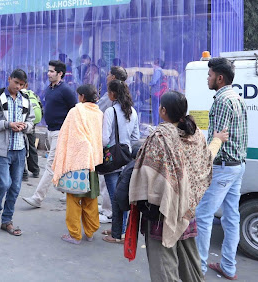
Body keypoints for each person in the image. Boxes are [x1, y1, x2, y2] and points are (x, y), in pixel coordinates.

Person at [129, 90, 228, 282]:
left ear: (163, 110)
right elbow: (206, 160)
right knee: (190, 264)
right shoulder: (195, 133)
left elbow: (146, 177)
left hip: (162, 212)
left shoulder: (159, 137)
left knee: (165, 268)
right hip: (186, 210)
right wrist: (217, 140)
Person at [196, 57, 248, 280]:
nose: (207, 79)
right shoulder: (237, 98)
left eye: (209, 75)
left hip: (224, 167)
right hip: (238, 166)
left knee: (203, 216)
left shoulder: (222, 101)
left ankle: (198, 269)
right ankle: (228, 267)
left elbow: (217, 140)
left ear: (219, 78)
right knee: (231, 218)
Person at [0, 69, 34, 236]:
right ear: (9, 79)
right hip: (2, 150)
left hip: (20, 149)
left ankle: (7, 220)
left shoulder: (25, 100)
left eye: (21, 84)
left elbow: (32, 121)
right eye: (16, 82)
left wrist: (25, 126)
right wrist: (7, 124)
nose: (17, 86)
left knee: (16, 186)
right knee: (4, 183)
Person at [51, 84, 103, 244]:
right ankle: (90, 231)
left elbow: (66, 136)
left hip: (76, 162)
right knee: (91, 198)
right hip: (92, 161)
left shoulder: (75, 112)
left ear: (81, 96)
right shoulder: (98, 113)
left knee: (74, 199)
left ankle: (74, 234)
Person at [23, 60, 77, 208]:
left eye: (52, 71)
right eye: (48, 71)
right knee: (64, 165)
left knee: (50, 165)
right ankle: (72, 194)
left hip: (61, 132)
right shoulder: (49, 89)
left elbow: (75, 110)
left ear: (60, 74)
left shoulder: (66, 90)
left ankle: (37, 197)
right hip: (50, 130)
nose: (49, 73)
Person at [101, 79, 140, 243]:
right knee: (122, 196)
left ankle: (119, 234)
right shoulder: (132, 111)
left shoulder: (110, 111)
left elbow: (104, 139)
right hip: (127, 158)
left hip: (112, 159)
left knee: (115, 198)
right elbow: (136, 138)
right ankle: (120, 228)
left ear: (113, 94)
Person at [21, 81, 42, 179]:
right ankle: (35, 170)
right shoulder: (33, 94)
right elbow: (40, 108)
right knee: (32, 147)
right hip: (32, 124)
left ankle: (23, 173)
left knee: (21, 148)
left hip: (21, 124)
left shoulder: (18, 95)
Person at [150, 58, 165, 126]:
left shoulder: (157, 71)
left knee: (155, 110)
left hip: (156, 93)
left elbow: (153, 82)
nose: (153, 64)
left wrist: (149, 83)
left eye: (155, 63)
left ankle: (155, 125)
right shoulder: (161, 71)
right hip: (159, 93)